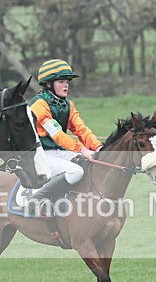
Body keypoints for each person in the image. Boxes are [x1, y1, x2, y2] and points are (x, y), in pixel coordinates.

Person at [27, 59, 102, 213]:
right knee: (76, 171)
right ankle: (38, 198)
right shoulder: (38, 105)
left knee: (86, 165)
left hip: (60, 153)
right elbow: (57, 135)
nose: (66, 85)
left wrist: (98, 147)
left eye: (67, 81)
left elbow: (81, 129)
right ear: (49, 84)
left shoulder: (68, 105)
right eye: (61, 81)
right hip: (40, 155)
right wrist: (82, 149)